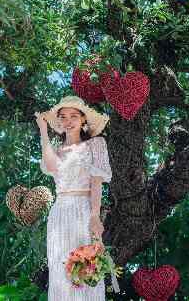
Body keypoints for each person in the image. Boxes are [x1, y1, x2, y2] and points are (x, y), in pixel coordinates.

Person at [35, 95, 113, 301]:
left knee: (86, 267)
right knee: (61, 273)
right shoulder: (57, 151)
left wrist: (95, 216)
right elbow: (51, 167)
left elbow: (96, 182)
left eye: (73, 116)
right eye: (62, 117)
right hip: (59, 214)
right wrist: (43, 130)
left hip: (83, 210)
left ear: (83, 120)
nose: (67, 121)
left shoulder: (95, 144)